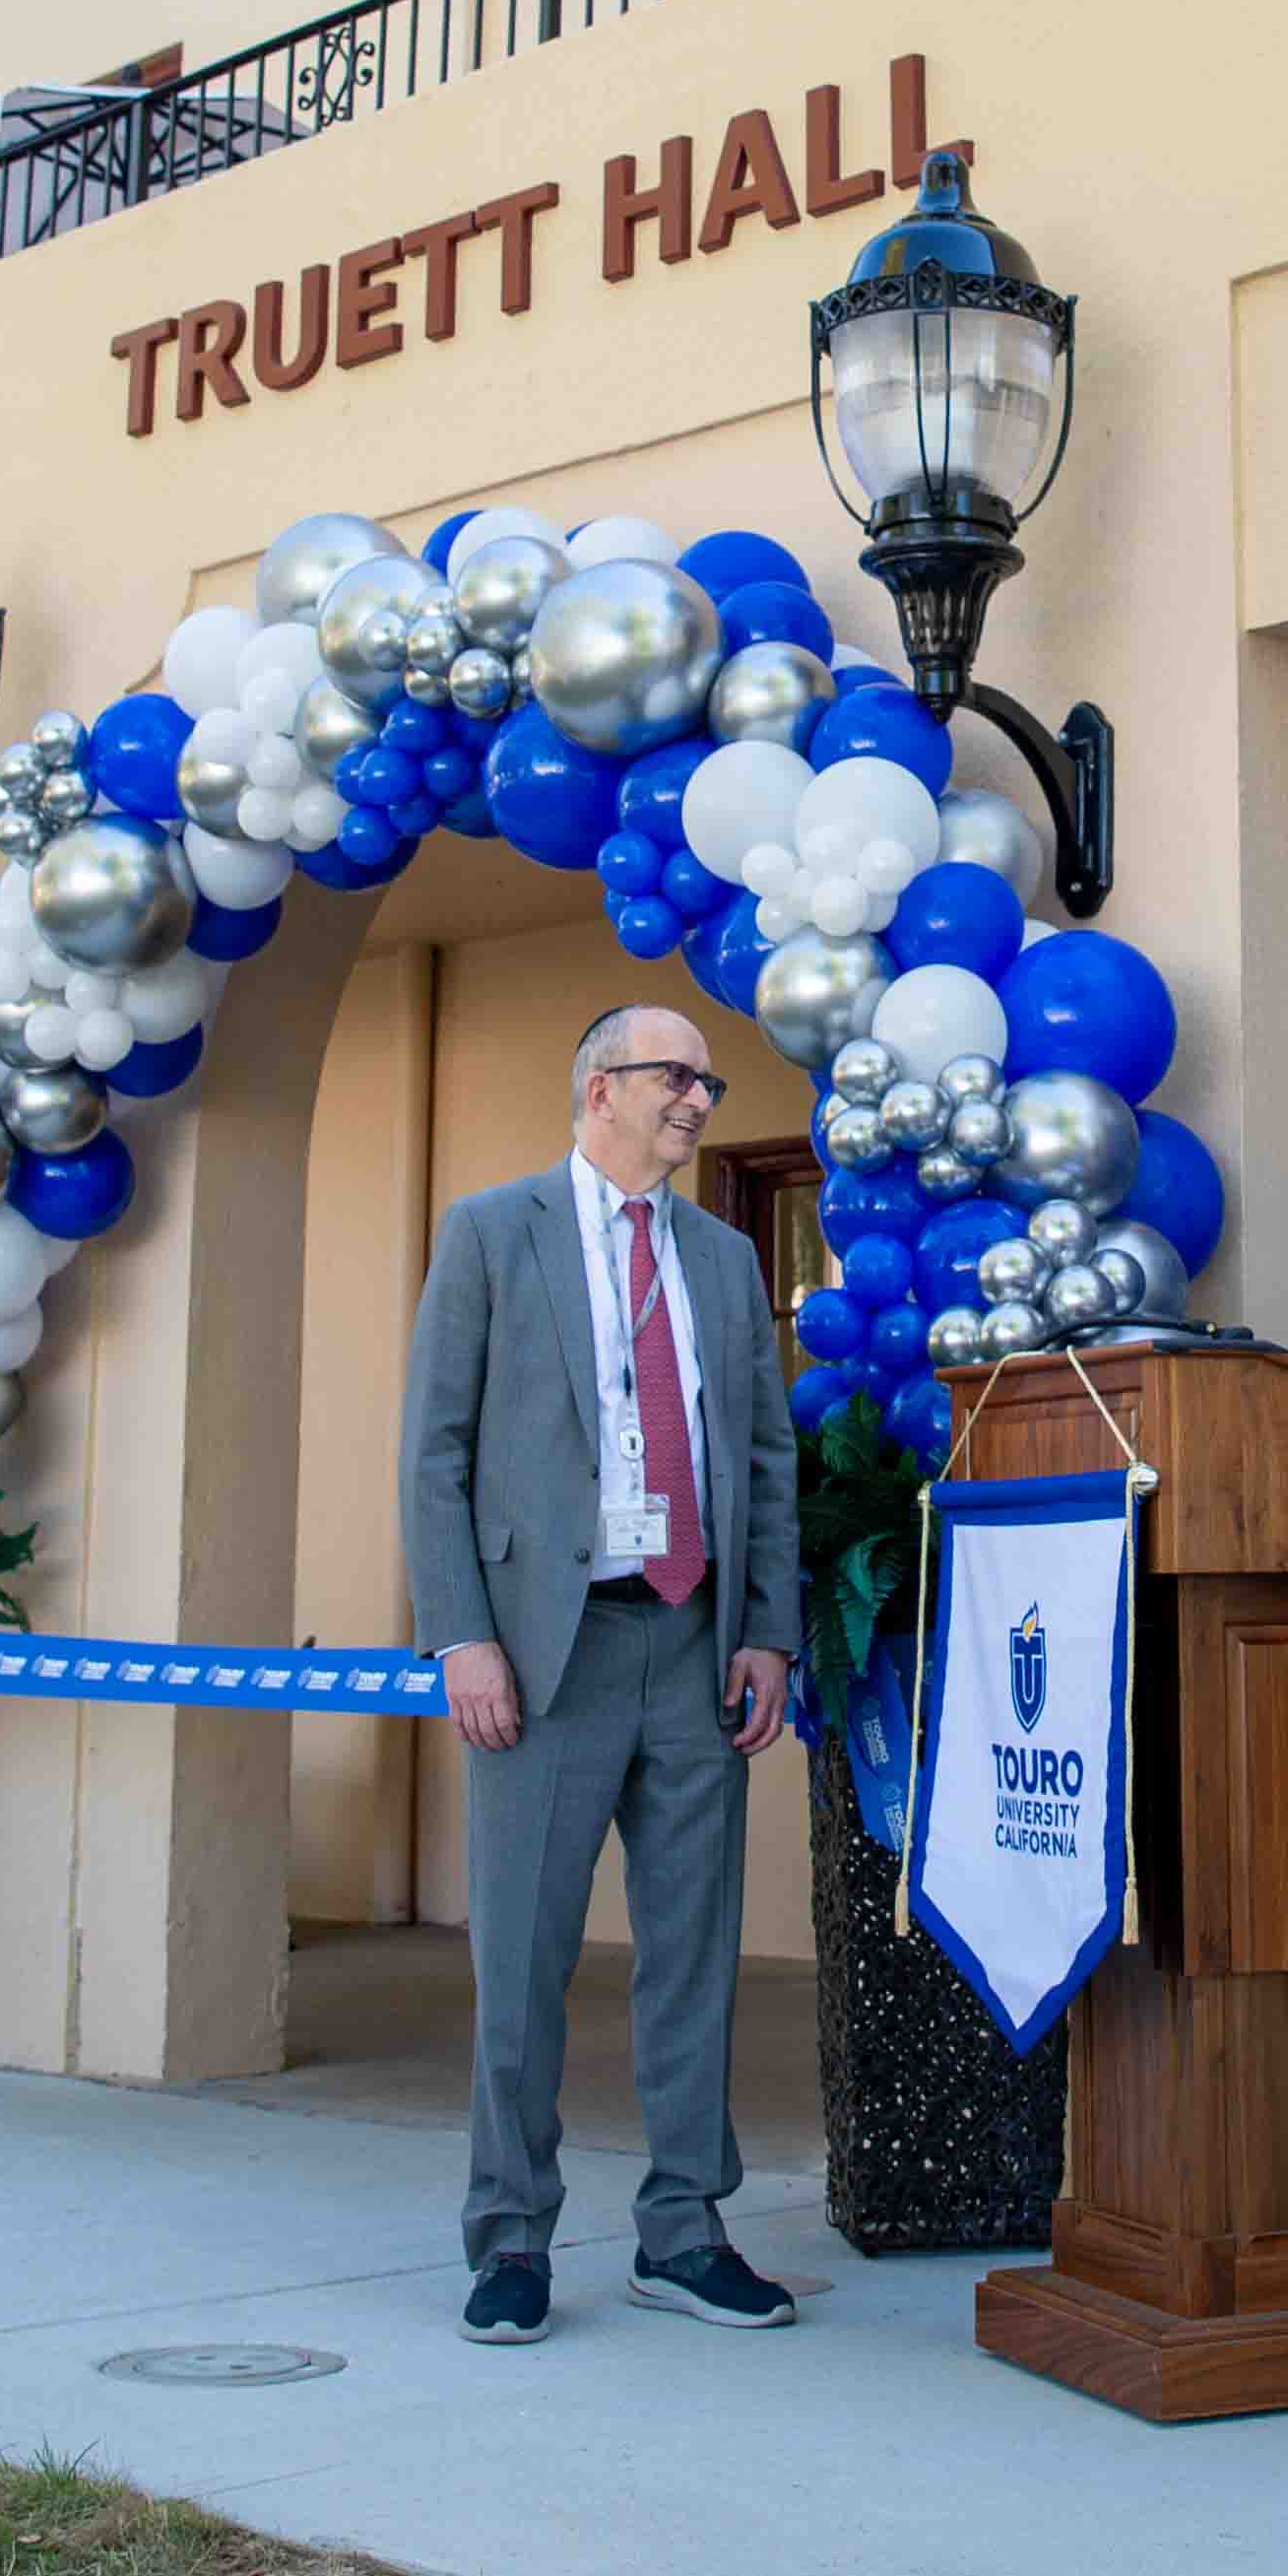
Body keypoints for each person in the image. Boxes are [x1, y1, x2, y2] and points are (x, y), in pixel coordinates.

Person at [399, 1000, 804, 2348]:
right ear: (598, 1088)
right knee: (522, 1958)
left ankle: (684, 2231)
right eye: (675, 1076)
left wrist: (767, 1630)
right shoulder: (491, 1234)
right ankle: (510, 2235)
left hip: (691, 1646)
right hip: (543, 1653)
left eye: (706, 1079)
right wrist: (461, 1636)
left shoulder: (726, 1260)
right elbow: (435, 1453)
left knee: (691, 1955)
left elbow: (761, 1462)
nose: (698, 1097)